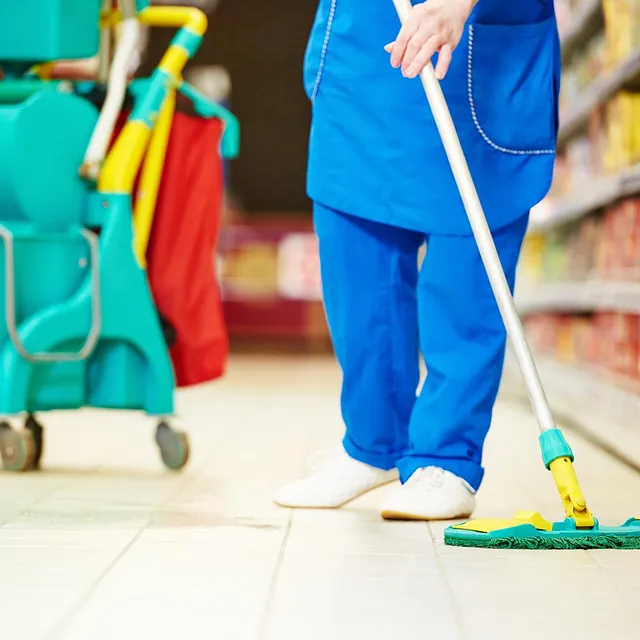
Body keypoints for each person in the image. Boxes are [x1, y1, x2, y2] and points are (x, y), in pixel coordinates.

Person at [273, 0, 560, 520]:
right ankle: (372, 444)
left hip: (476, 54)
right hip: (366, 55)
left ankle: (445, 459)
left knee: (464, 280)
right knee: (356, 263)